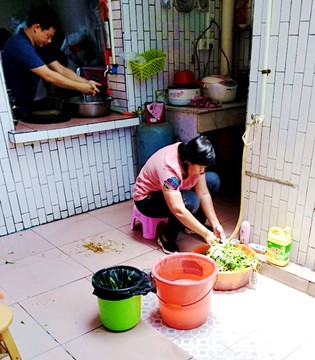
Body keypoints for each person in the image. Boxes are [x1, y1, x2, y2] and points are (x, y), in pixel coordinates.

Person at [1, 4, 101, 122]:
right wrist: (80, 87)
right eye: (48, 36)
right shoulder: (20, 45)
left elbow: (61, 70)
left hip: (28, 103)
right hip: (13, 108)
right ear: (37, 27)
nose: (50, 41)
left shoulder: (39, 46)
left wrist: (87, 82)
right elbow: (48, 75)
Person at [133, 135, 226, 254]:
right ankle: (166, 237)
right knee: (190, 201)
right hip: (148, 199)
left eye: (204, 167)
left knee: (213, 180)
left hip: (172, 189)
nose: (202, 171)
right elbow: (178, 209)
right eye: (201, 167)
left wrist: (215, 224)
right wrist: (206, 233)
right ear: (189, 162)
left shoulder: (192, 156)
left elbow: (203, 193)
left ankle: (190, 225)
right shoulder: (169, 170)